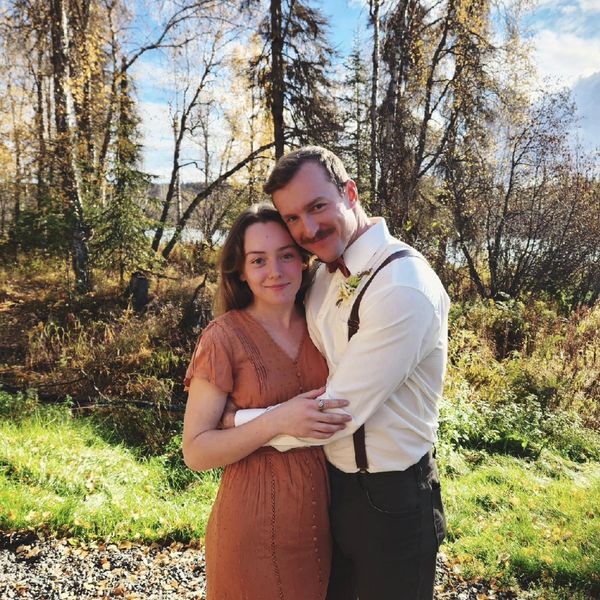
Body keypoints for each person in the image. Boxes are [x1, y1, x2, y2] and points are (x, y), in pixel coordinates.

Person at [233, 146, 450, 600]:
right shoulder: (319, 277)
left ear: (350, 193)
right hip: (329, 488)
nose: (307, 229)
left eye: (317, 207)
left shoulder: (402, 286)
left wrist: (234, 425)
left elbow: (336, 413)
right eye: (293, 218)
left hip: (392, 499)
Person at [182, 204, 351, 600]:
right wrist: (275, 420)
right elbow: (196, 451)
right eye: (258, 260)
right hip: (252, 529)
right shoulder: (223, 338)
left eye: (286, 255)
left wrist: (241, 418)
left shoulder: (325, 325)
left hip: (327, 525)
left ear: (304, 261)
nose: (275, 271)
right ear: (241, 270)